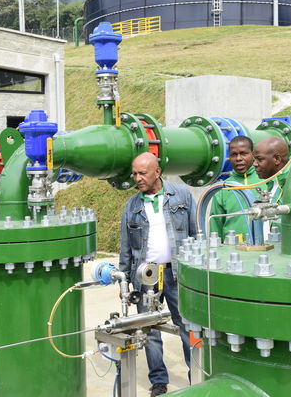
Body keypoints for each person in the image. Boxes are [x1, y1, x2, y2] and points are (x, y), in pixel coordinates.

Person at [119, 152, 196, 397]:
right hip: (146, 275)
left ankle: (196, 373)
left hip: (176, 272)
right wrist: (124, 280)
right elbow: (126, 247)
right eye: (135, 173)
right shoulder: (132, 206)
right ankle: (159, 382)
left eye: (143, 173)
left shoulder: (181, 196)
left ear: (157, 171)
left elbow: (195, 234)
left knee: (187, 325)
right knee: (149, 330)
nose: (138, 178)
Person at [209, 136, 261, 241]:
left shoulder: (266, 179)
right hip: (233, 250)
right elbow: (215, 226)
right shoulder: (222, 188)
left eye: (243, 153)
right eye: (234, 155)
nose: (238, 158)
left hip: (265, 247)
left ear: (253, 154)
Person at [252, 136, 290, 200]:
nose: (254, 164)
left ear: (277, 159)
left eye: (260, 159)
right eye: (254, 160)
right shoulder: (273, 182)